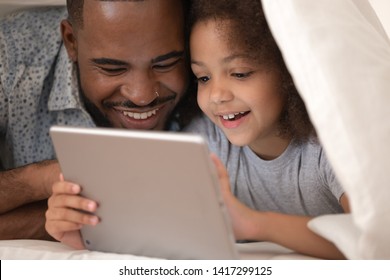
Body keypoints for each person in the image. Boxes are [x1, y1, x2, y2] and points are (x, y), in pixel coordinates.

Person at [0, 0, 197, 240]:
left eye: (166, 64)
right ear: (71, 41)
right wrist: (49, 179)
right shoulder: (9, 57)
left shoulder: (218, 59)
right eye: (113, 69)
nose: (142, 96)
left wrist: (83, 219)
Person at [184, 0, 349, 259]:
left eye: (239, 73)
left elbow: (374, 239)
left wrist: (254, 224)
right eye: (203, 77)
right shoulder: (204, 141)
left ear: (289, 71)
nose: (216, 95)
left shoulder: (332, 145)